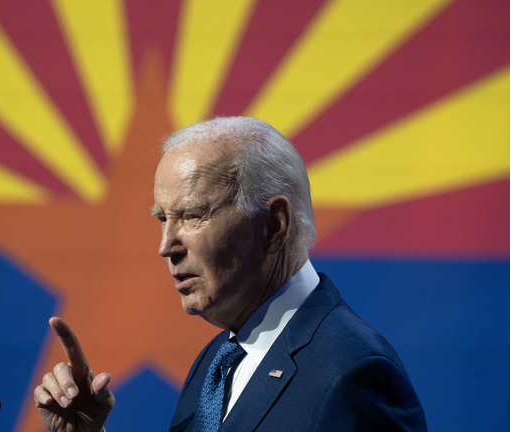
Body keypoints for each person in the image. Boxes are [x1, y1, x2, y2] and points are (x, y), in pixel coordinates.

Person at [33, 117, 427, 432]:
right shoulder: (219, 361)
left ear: (273, 224)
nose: (166, 245)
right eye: (162, 219)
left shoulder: (352, 373)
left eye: (191, 215)